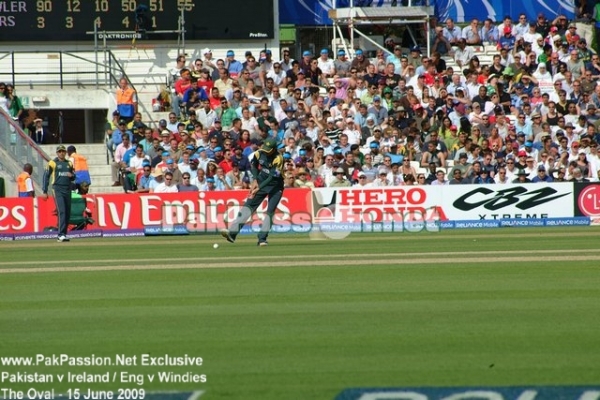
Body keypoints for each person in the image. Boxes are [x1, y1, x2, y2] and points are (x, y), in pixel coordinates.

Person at [220, 138, 285, 246]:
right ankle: (232, 234)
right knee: (248, 206)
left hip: (275, 186)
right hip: (260, 181)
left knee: (270, 212)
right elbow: (254, 165)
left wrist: (258, 188)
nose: (266, 151)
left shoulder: (279, 158)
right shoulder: (259, 153)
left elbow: (271, 177)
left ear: (273, 149)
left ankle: (262, 239)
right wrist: (255, 179)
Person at [42, 145, 75, 242]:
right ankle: (60, 234)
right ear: (57, 153)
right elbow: (46, 176)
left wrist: (71, 175)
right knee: (62, 211)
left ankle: (64, 234)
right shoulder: (52, 163)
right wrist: (44, 190)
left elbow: (73, 176)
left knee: (67, 212)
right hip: (57, 189)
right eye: (59, 151)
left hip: (67, 189)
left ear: (65, 152)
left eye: (63, 151)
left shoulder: (69, 163)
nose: (61, 153)